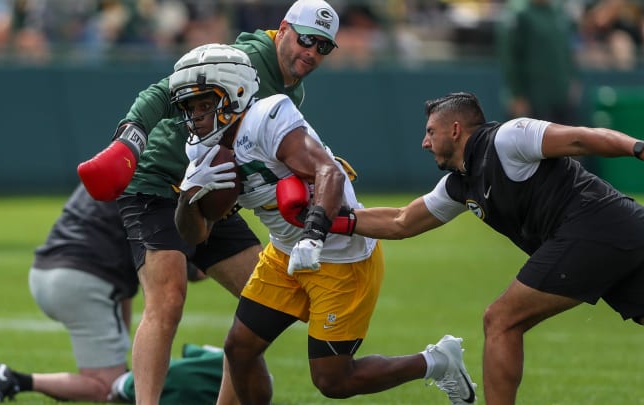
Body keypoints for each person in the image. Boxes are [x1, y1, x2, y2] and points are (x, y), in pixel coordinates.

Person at [303, 92, 644, 404]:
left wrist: (640, 148)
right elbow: (403, 221)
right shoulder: (460, 183)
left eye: (430, 132)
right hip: (633, 233)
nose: (424, 142)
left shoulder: (509, 138)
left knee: (501, 320)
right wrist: (328, 217)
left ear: (455, 129)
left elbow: (579, 137)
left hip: (599, 228)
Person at [170, 44, 478, 405]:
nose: (196, 117)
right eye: (190, 107)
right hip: (283, 251)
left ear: (236, 93)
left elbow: (327, 171)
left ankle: (437, 362)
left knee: (333, 380)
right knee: (239, 349)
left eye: (205, 104)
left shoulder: (267, 118)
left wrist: (313, 236)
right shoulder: (201, 153)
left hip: (337, 254)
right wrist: (188, 199)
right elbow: (196, 234)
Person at [74, 1, 345, 403]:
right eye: (307, 39)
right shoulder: (247, 59)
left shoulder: (293, 89)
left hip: (214, 189)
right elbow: (164, 91)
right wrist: (130, 137)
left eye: (324, 47)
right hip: (158, 182)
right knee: (167, 300)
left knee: (269, 299)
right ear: (284, 29)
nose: (312, 51)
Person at [0, 184, 230, 404]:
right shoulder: (157, 181)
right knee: (105, 387)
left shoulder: (124, 166)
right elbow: (191, 269)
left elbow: (124, 286)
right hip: (83, 280)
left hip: (47, 271)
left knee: (118, 373)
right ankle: (10, 380)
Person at [497, 0, 580, 124]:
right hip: (533, 100)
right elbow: (509, 59)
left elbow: (568, 52)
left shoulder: (560, 11)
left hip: (561, 97)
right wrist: (517, 95)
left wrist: (573, 80)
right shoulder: (518, 13)